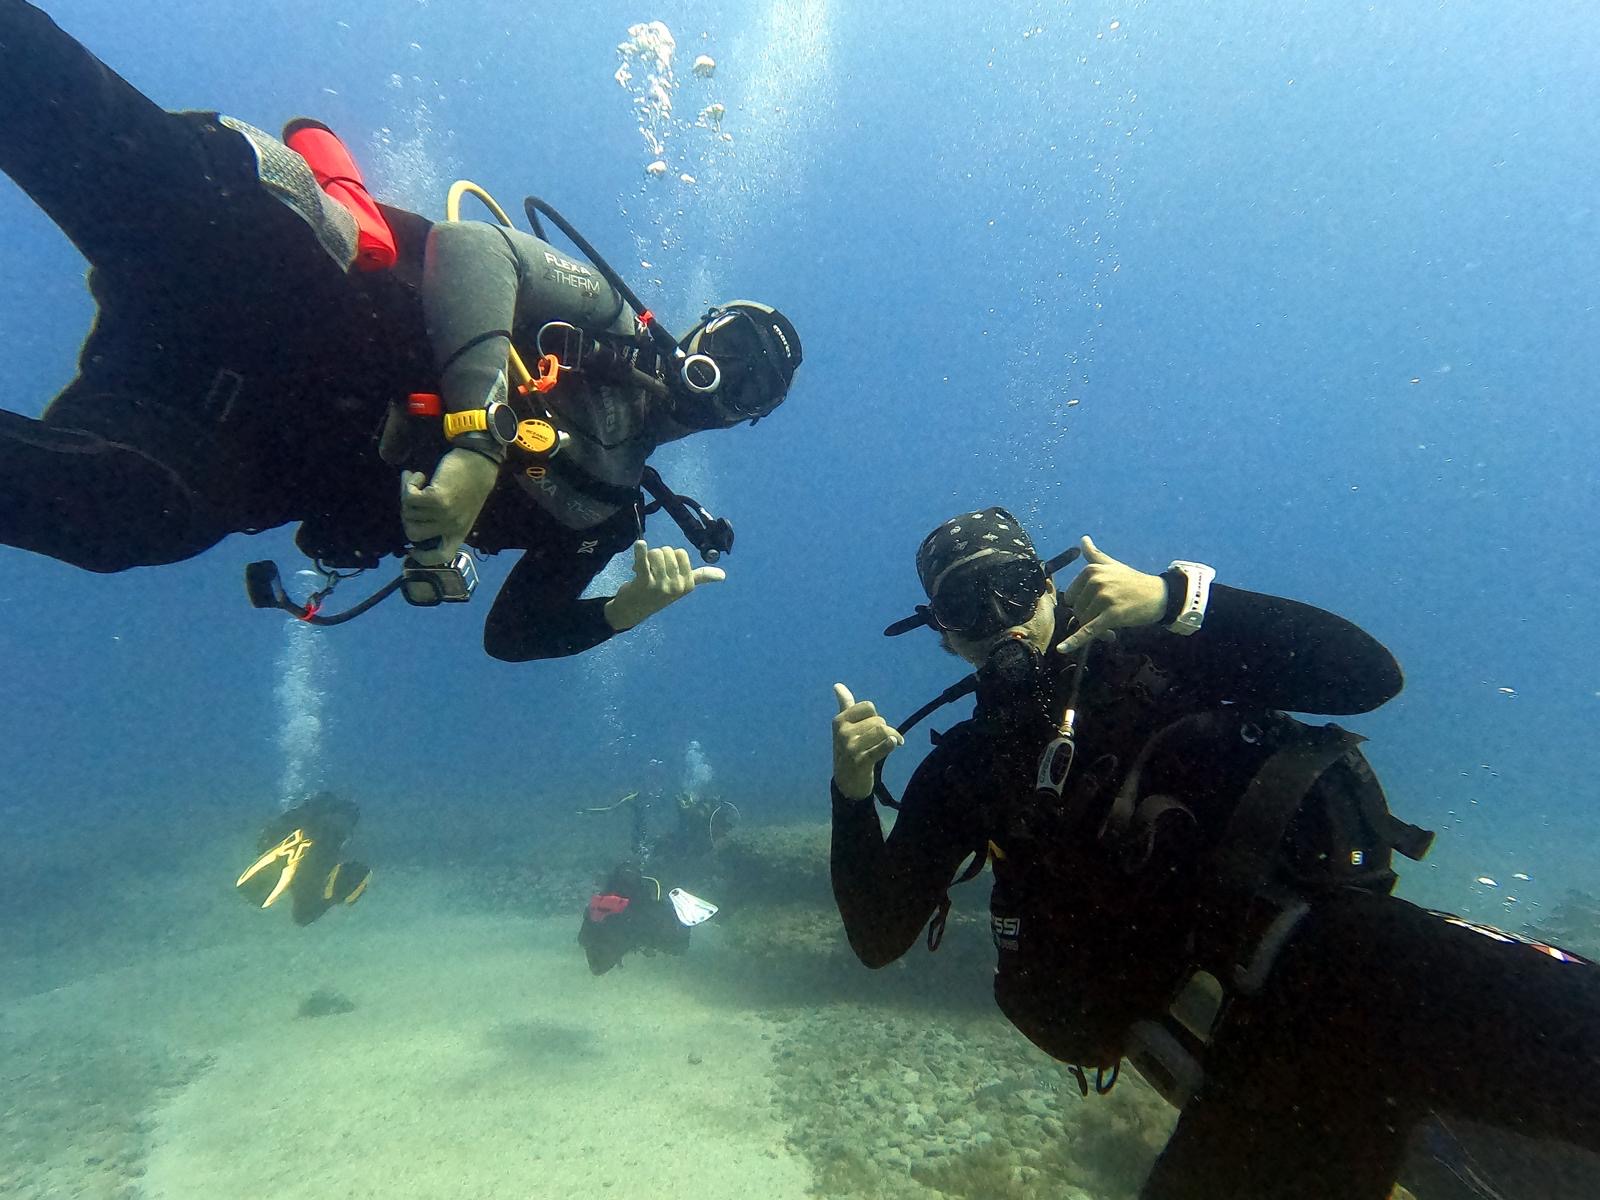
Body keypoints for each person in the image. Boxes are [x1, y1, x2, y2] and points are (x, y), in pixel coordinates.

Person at [829, 506, 1600, 1200]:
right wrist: (853, 795)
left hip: (1346, 961)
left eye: (1014, 586)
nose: (1000, 620)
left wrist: (1178, 601)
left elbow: (1371, 677)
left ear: (1051, 583)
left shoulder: (1169, 657)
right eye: (967, 605)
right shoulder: (966, 769)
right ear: (942, 632)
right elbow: (877, 935)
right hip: (1236, 1065)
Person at [0, 0, 802, 661]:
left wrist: (624, 611)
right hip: (274, 277)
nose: (725, 375)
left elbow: (515, 635)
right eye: (727, 345)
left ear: (748, 419)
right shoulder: (610, 316)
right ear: (696, 331)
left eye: (752, 383)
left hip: (227, 438)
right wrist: (480, 447)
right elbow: (473, 247)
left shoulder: (608, 514)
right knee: (57, 112)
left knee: (117, 520)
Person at [235, 791, 371, 926]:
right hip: (310, 855)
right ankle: (320, 814)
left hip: (300, 841)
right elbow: (302, 917)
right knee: (325, 833)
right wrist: (330, 899)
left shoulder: (324, 853)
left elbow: (303, 916)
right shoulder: (312, 877)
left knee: (318, 826)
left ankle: (316, 811)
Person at [578, 860, 716, 975]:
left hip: (616, 934)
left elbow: (585, 939)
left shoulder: (598, 908)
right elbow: (675, 945)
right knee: (674, 943)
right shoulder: (643, 911)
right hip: (629, 930)